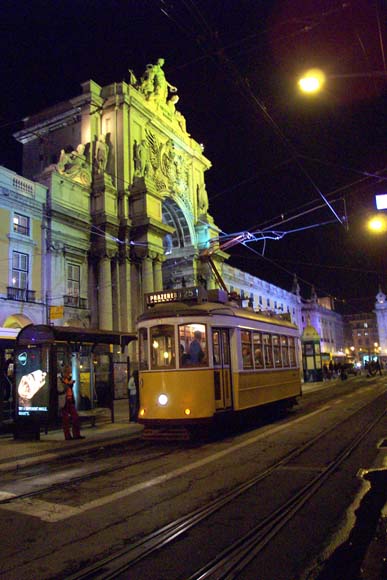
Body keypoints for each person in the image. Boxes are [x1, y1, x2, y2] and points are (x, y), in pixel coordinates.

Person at [59, 366, 84, 440]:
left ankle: (76, 434)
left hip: (70, 400)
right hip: (64, 400)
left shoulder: (68, 378)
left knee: (75, 417)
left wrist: (70, 384)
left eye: (69, 372)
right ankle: (68, 436)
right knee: (65, 419)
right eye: (67, 372)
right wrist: (68, 384)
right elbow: (61, 389)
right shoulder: (60, 379)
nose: (69, 374)